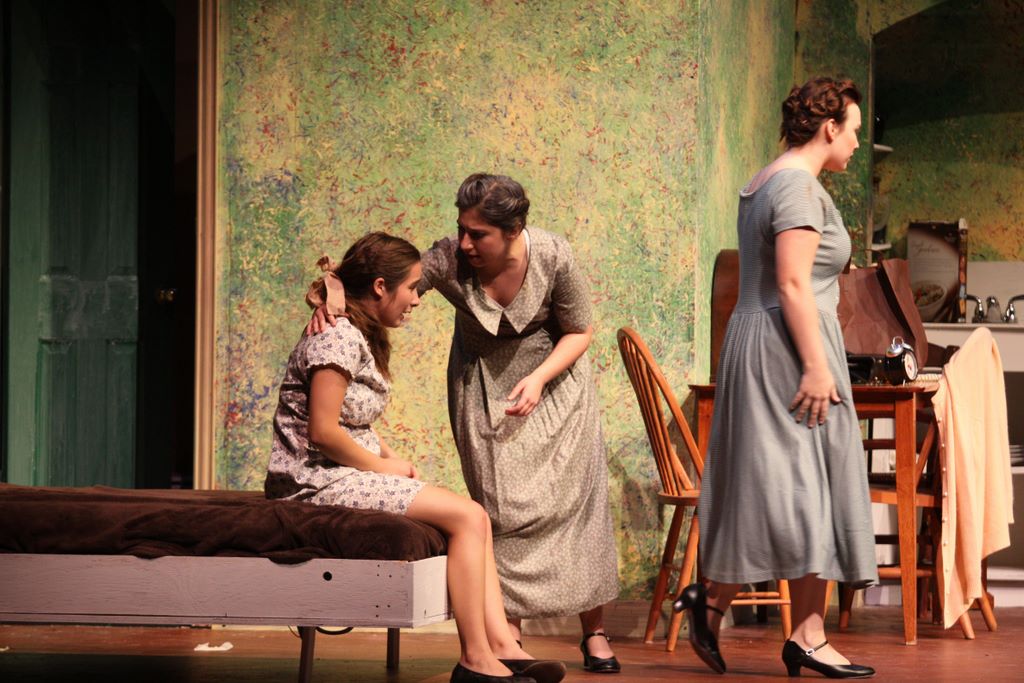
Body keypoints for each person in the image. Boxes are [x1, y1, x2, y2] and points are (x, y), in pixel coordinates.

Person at [309, 175, 621, 673]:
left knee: (575, 505)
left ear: (513, 230)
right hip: (483, 385)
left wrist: (539, 378)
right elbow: (381, 282)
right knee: (497, 509)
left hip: (553, 384)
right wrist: (328, 298)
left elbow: (580, 330)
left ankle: (594, 631)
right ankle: (505, 635)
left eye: (479, 234)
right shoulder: (450, 258)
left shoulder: (552, 255)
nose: (465, 242)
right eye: (462, 229)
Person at [265, 232, 566, 683]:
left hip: (336, 473)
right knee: (468, 517)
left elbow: (352, 423)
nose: (417, 299)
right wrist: (382, 467)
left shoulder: (353, 332)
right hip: (311, 482)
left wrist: (390, 456)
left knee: (476, 518)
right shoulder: (336, 338)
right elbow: (323, 432)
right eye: (411, 287)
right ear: (380, 287)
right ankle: (476, 660)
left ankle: (503, 647)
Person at [673, 77, 878, 679]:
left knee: (792, 483)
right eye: (854, 131)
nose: (857, 143)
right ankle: (789, 630)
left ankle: (734, 611)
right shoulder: (796, 186)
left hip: (764, 337)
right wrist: (815, 364)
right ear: (829, 128)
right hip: (787, 345)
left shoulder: (768, 179)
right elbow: (791, 282)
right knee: (804, 486)